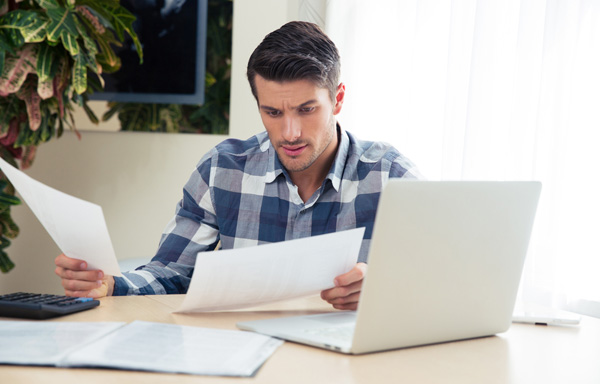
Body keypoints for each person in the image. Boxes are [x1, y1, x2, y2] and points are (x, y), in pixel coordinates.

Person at [54, 21, 421, 310]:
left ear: (337, 99)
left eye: (306, 110)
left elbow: (444, 284)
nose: (289, 132)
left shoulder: (391, 177)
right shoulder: (223, 168)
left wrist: (382, 288)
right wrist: (111, 284)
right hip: (241, 362)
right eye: (272, 112)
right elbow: (172, 274)